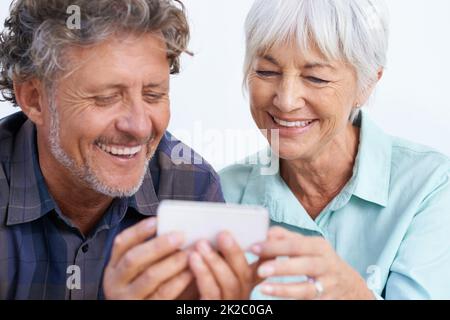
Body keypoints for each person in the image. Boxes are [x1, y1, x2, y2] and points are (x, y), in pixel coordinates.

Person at [0, 0, 251, 300]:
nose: (140, 127)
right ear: (34, 99)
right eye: (107, 97)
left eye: (153, 95)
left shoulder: (191, 187)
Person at [219, 0, 450, 300]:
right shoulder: (220, 193)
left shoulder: (430, 186)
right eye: (266, 71)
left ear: (367, 84)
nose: (286, 100)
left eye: (316, 78)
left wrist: (354, 294)